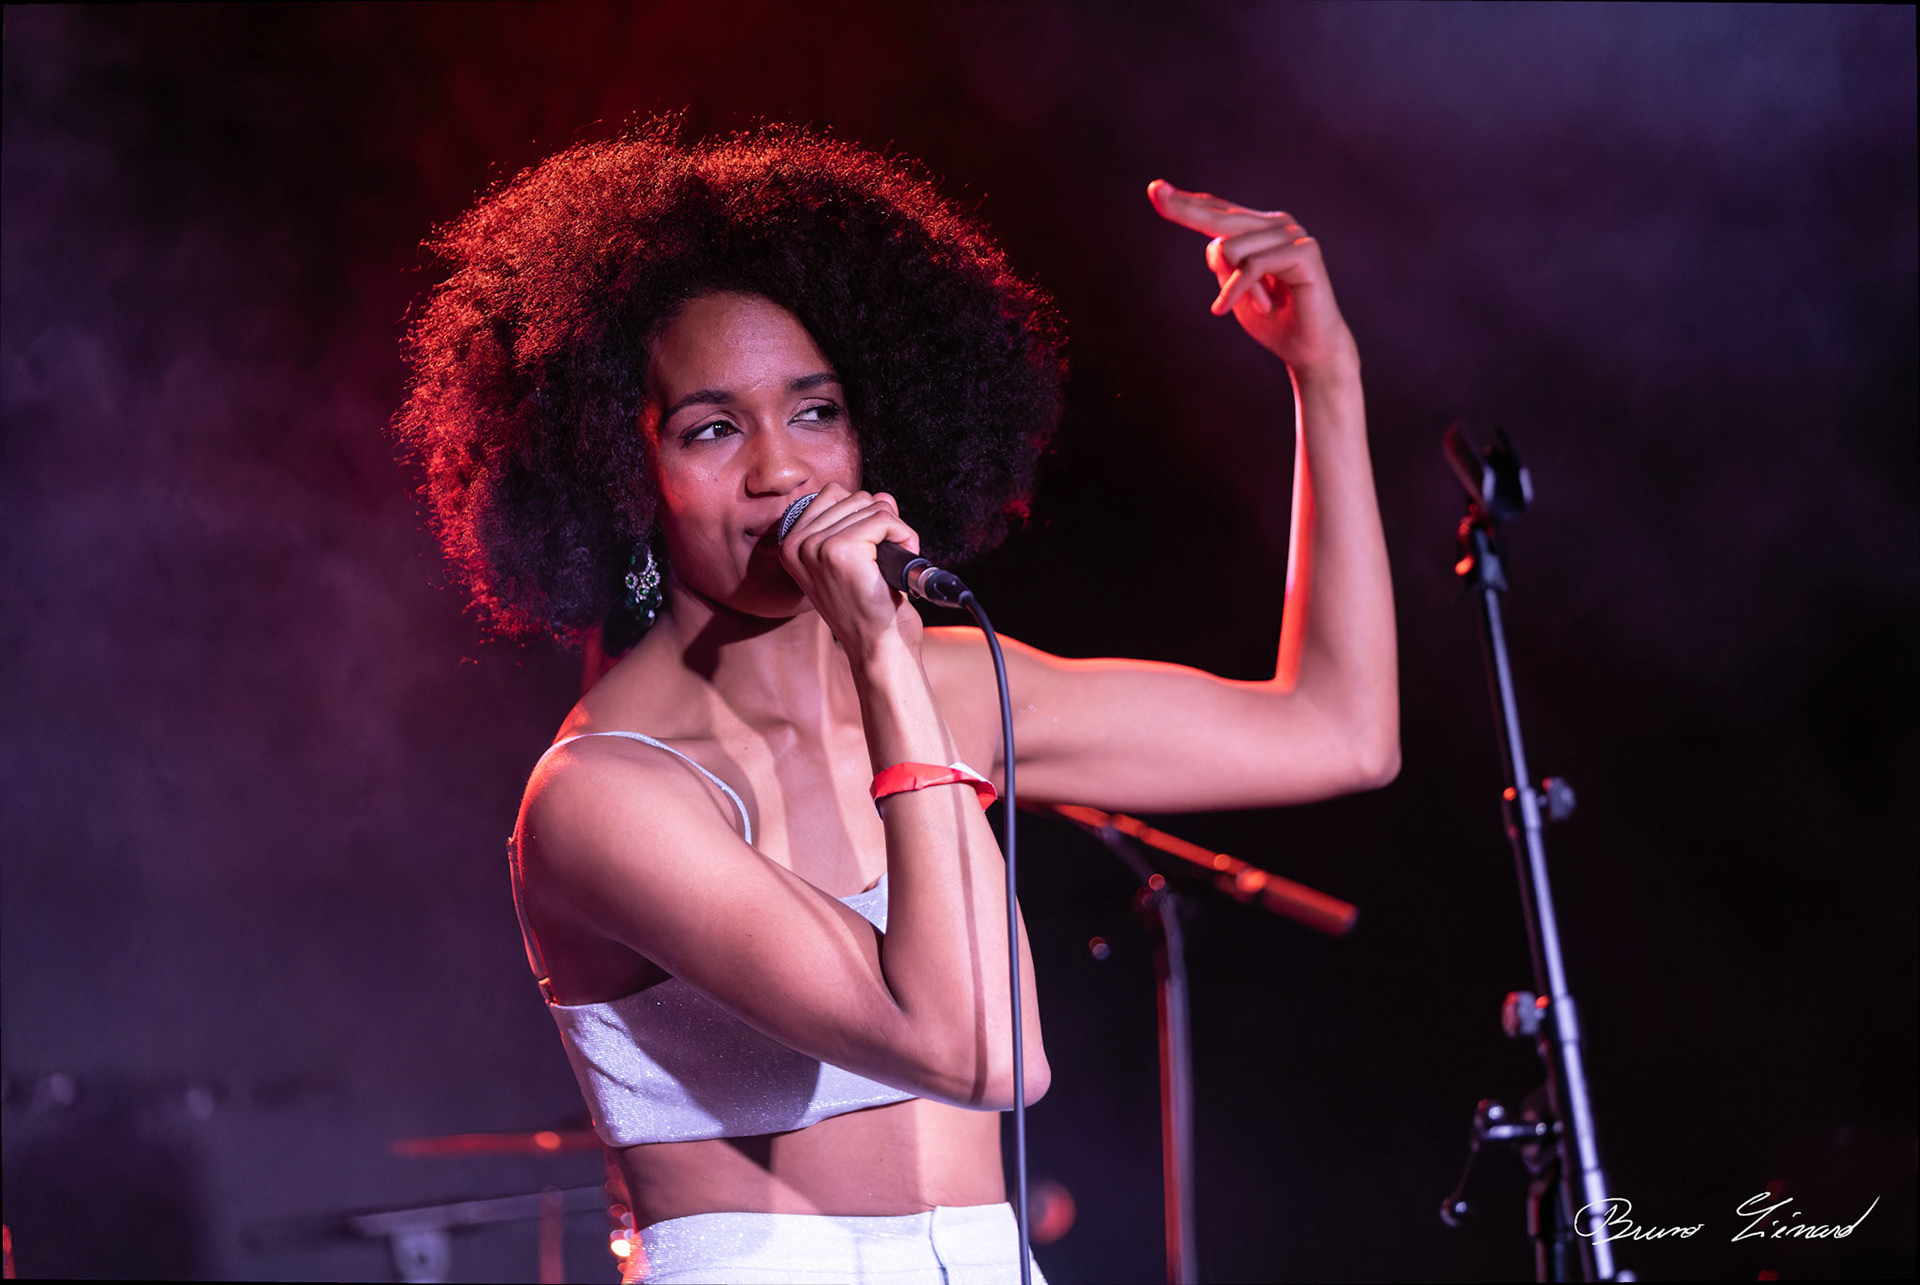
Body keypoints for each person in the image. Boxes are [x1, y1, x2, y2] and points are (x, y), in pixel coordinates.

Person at [395, 123, 1397, 1285]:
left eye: (815, 412)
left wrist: (1324, 377)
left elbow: (1339, 731)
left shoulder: (947, 679)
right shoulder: (605, 794)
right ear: (624, 477)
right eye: (713, 428)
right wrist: (885, 660)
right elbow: (983, 1052)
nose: (781, 470)